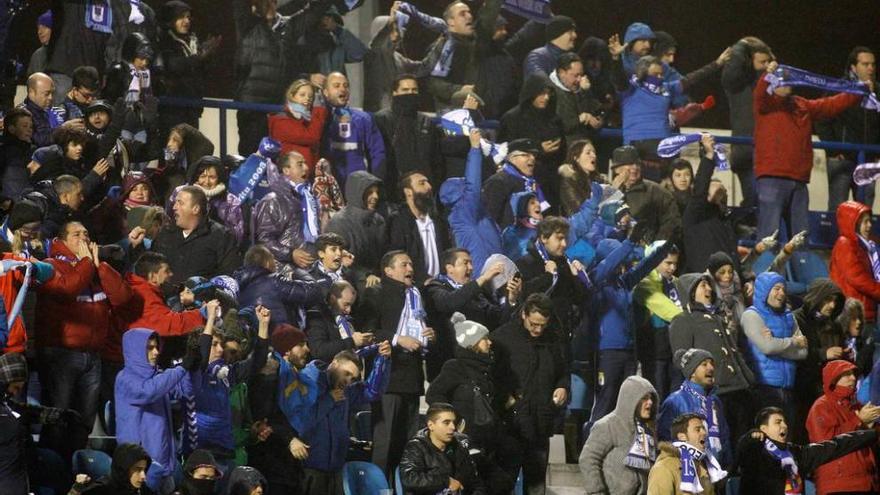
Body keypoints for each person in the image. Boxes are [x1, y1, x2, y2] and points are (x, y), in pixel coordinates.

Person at [35, 221, 132, 457]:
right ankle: (54, 474)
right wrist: (87, 263)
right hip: (62, 354)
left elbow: (122, 298)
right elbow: (68, 289)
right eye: (76, 234)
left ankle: (77, 468)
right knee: (58, 419)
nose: (84, 239)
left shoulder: (94, 269)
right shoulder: (51, 265)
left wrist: (100, 266)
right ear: (62, 241)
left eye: (86, 234)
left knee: (84, 422)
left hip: (93, 356)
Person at [753, 60, 862, 239]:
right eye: (782, 79)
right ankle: (765, 268)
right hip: (772, 179)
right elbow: (759, 93)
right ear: (773, 82)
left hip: (799, 181)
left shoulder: (801, 104)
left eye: (789, 79)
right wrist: (767, 75)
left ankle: (800, 267)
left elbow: (830, 105)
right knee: (768, 238)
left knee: (800, 238)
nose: (787, 82)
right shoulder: (765, 103)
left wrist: (858, 93)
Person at [425, 313, 518, 493]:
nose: (489, 343)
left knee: (502, 483)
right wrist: (453, 422)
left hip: (489, 443)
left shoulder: (487, 369)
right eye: (484, 339)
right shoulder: (455, 367)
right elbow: (434, 395)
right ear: (472, 343)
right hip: (465, 445)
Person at [365, 250, 437, 476]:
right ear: (388, 270)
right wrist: (398, 339)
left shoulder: (417, 295)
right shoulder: (375, 294)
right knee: (385, 442)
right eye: (404, 264)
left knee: (409, 444)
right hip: (388, 378)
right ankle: (380, 490)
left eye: (411, 264)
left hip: (412, 377)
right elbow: (367, 332)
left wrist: (430, 336)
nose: (410, 269)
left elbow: (421, 331)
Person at [668, 274, 755, 453]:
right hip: (717, 393)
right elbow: (681, 358)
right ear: (690, 293)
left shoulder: (717, 316)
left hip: (740, 390)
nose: (708, 289)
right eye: (702, 286)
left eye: (709, 285)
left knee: (746, 446)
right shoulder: (684, 320)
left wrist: (749, 377)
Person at [491, 293, 568, 494]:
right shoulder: (502, 338)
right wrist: (506, 401)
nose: (538, 329)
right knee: (503, 484)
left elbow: (562, 372)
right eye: (534, 324)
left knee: (537, 485)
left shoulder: (554, 339)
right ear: (524, 314)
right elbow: (490, 376)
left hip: (541, 423)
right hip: (510, 426)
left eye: (543, 325)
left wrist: (563, 387)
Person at [231, 0, 325, 154]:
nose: (266, 5)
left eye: (270, 2)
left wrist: (307, 76)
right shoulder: (248, 25)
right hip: (252, 106)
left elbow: (315, 12)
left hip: (278, 107)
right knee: (251, 155)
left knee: (277, 156)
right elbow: (239, 5)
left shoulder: (288, 27)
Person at [297, 344, 392, 493]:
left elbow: (373, 392)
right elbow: (301, 422)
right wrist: (329, 400)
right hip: (309, 469)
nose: (348, 380)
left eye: (353, 378)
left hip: (336, 468)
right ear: (334, 363)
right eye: (346, 373)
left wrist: (382, 359)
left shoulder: (344, 391)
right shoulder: (308, 380)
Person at [115, 328, 202, 486]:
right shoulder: (124, 379)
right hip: (140, 469)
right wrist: (182, 368)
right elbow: (148, 391)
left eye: (156, 347)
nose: (156, 352)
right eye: (149, 348)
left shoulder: (159, 376)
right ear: (135, 350)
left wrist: (193, 369)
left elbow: (186, 391)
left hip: (164, 465)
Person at [737, 406, 879, 494]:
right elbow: (743, 452)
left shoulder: (797, 453)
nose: (785, 426)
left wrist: (873, 434)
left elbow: (835, 445)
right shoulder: (756, 451)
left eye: (785, 421)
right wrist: (751, 437)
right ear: (763, 429)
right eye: (778, 422)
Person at [424, 249, 518, 380]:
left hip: (477, 365)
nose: (471, 267)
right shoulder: (435, 289)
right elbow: (451, 302)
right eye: (465, 263)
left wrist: (511, 299)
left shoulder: (476, 293)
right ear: (449, 268)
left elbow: (497, 319)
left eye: (471, 263)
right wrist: (483, 278)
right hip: (448, 365)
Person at [192, 304, 269, 457]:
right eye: (215, 345)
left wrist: (263, 325)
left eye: (221, 345)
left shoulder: (227, 373)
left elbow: (257, 362)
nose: (221, 350)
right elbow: (201, 354)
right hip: (200, 454)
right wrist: (211, 318)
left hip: (226, 454)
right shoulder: (191, 373)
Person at [247, 324, 313, 494]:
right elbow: (265, 416)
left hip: (289, 460)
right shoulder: (270, 373)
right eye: (300, 344)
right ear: (286, 350)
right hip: (272, 460)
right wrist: (290, 438)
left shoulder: (294, 375)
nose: (307, 349)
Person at [0, 352, 79, 494]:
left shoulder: (6, 404)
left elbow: (24, 411)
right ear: (5, 382)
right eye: (15, 388)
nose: (16, 393)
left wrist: (60, 416)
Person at [816, 46, 878, 211]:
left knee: (864, 213)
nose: (870, 68)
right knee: (838, 211)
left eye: (872, 64)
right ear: (853, 67)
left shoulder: (877, 91)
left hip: (867, 162)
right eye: (865, 64)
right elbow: (821, 118)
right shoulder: (837, 88)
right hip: (841, 161)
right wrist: (834, 150)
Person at [742, 271, 808, 429]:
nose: (782, 293)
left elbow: (803, 352)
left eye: (783, 289)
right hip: (764, 390)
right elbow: (767, 347)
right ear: (765, 290)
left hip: (789, 389)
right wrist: (792, 342)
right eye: (776, 289)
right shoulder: (751, 316)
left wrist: (775, 343)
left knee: (788, 436)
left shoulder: (789, 317)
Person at [806, 360, 880, 495]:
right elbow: (826, 445)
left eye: (853, 374)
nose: (853, 378)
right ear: (833, 379)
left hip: (867, 482)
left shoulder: (857, 406)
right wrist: (859, 420)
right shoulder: (821, 407)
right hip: (838, 485)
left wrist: (874, 426)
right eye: (846, 374)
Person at [580, 375, 659, 495]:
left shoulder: (647, 430)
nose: (650, 402)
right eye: (644, 398)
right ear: (630, 399)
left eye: (651, 398)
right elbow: (588, 459)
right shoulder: (607, 425)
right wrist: (596, 491)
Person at [498, 75, 565, 212]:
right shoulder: (512, 118)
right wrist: (539, 149)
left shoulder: (554, 119)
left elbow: (563, 149)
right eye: (541, 93)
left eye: (548, 94)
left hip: (550, 181)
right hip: (519, 180)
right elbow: (505, 148)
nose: (546, 97)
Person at [439, 130, 503, 273]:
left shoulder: (476, 213)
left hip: (494, 277)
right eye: (464, 186)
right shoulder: (463, 212)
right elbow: (473, 185)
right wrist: (474, 149)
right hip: (481, 278)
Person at [150, 185, 241, 285]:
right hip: (163, 298)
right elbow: (149, 266)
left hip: (201, 298)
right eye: (175, 202)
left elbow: (227, 276)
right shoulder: (165, 233)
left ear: (195, 209)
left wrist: (200, 292)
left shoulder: (221, 236)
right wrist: (136, 248)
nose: (174, 207)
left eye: (180, 203)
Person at [721, 36, 773, 209]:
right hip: (746, 153)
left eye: (768, 61)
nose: (766, 66)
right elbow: (732, 71)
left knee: (767, 203)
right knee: (754, 199)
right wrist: (741, 46)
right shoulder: (738, 85)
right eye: (762, 62)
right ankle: (741, 226)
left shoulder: (771, 83)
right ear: (750, 61)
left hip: (768, 153)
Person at [423, 0, 503, 110]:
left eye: (469, 12)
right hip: (452, 111)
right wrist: (459, 89)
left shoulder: (475, 43)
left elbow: (487, 19)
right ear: (451, 22)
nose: (469, 16)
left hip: (480, 111)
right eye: (462, 14)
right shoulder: (443, 48)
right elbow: (432, 83)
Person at [657, 349, 730, 466]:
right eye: (704, 364)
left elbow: (724, 437)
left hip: (717, 472)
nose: (711, 368)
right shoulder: (675, 401)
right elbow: (665, 437)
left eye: (712, 364)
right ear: (692, 372)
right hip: (688, 472)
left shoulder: (714, 401)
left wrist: (727, 467)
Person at [157, 0, 221, 133]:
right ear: (170, 19)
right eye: (181, 17)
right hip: (172, 109)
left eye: (188, 17)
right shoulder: (164, 40)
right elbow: (173, 66)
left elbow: (202, 73)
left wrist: (208, 58)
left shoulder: (192, 41)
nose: (186, 21)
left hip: (192, 107)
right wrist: (199, 58)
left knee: (192, 150)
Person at [253, 150, 319, 277]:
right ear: (286, 170)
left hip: (311, 270)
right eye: (300, 164)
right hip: (284, 274)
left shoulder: (309, 197)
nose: (306, 167)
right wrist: (290, 254)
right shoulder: (273, 200)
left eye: (305, 163)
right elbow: (263, 239)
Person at [372, 75, 442, 196]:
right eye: (405, 90)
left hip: (423, 189)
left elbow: (436, 158)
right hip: (392, 189)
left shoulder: (426, 121)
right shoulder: (381, 119)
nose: (410, 93)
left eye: (414, 90)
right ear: (394, 93)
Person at [398, 402, 486, 495]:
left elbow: (474, 482)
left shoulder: (459, 446)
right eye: (446, 423)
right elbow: (409, 479)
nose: (452, 427)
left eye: (454, 422)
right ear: (431, 425)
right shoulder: (416, 446)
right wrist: (446, 481)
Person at [634, 242, 684, 401]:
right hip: (654, 352)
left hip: (674, 350)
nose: (672, 268)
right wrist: (690, 321)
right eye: (668, 263)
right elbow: (668, 310)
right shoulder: (644, 282)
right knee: (658, 397)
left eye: (675, 264)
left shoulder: (674, 282)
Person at [681, 135, 738, 273]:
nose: (720, 192)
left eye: (723, 190)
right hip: (705, 280)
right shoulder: (695, 216)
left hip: (728, 283)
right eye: (715, 189)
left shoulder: (726, 221)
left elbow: (733, 256)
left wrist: (745, 279)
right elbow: (700, 188)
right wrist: (709, 156)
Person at [235, 244, 328, 329]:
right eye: (273, 259)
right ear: (267, 262)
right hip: (284, 341)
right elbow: (313, 291)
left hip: (261, 343)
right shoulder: (274, 281)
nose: (275, 263)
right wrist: (299, 272)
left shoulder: (239, 289)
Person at [321, 72, 386, 186]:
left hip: (358, 185)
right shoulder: (319, 119)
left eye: (346, 86)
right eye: (336, 86)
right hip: (328, 186)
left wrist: (375, 182)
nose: (342, 89)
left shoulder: (363, 118)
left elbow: (377, 153)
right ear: (326, 92)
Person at [325, 171, 386, 291]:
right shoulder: (339, 223)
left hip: (377, 276)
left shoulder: (379, 221)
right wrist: (366, 275)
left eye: (377, 192)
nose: (376, 197)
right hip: (349, 281)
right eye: (369, 192)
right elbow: (338, 262)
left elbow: (384, 255)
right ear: (357, 193)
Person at [609, 145, 681, 244]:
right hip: (614, 252)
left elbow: (672, 221)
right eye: (629, 164)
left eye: (637, 164)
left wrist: (656, 246)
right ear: (616, 169)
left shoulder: (656, 192)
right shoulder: (606, 193)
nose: (634, 167)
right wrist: (613, 193)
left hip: (647, 252)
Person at [387, 171, 449, 286]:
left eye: (428, 182)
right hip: (417, 286)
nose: (429, 187)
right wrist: (422, 280)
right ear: (408, 192)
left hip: (442, 284)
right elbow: (398, 257)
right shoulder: (398, 222)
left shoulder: (438, 221)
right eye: (422, 183)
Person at [793, 279, 846, 411]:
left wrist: (845, 355)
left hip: (827, 386)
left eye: (835, 301)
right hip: (803, 388)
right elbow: (793, 352)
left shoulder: (835, 325)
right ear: (817, 297)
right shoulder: (796, 319)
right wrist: (823, 353)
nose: (832, 305)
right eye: (828, 300)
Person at [830, 201, 880, 334]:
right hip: (851, 313)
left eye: (870, 221)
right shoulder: (845, 244)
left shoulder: (868, 246)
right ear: (853, 223)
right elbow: (857, 278)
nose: (869, 225)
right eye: (864, 222)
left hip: (866, 310)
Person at [647, 413, 726, 495]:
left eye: (704, 429)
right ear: (682, 437)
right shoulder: (664, 468)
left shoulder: (707, 468)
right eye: (697, 430)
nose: (704, 433)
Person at [305, 280, 374, 363]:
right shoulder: (317, 318)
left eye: (351, 305)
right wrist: (352, 341)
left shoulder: (349, 320)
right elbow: (318, 351)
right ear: (332, 299)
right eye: (346, 304)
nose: (349, 310)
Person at [482, 138, 546, 228]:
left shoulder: (532, 182)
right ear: (511, 158)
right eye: (525, 155)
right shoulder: (498, 181)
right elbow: (490, 218)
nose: (532, 158)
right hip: (507, 238)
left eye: (534, 155)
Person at [268, 79, 329, 170]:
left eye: (311, 96)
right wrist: (317, 110)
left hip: (305, 175)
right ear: (292, 96)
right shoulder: (281, 121)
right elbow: (311, 137)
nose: (307, 98)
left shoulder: (308, 119)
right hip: (289, 177)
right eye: (302, 95)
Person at [551, 53, 604, 146]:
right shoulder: (550, 92)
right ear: (561, 73)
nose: (579, 79)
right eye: (576, 75)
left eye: (581, 75)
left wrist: (598, 119)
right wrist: (581, 118)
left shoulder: (579, 88)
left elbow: (596, 109)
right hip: (563, 147)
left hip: (584, 141)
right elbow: (559, 127)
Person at [79, 443, 155, 495]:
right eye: (138, 469)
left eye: (144, 470)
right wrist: (76, 488)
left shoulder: (140, 489)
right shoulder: (100, 490)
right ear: (123, 468)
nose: (143, 476)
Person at [1, 108, 36, 201]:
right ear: (12, 129)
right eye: (25, 126)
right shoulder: (3, 151)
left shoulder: (34, 151)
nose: (29, 130)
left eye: (31, 127)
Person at [19, 72, 61, 148]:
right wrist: (63, 130)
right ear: (31, 92)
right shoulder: (22, 115)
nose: (50, 98)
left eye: (52, 93)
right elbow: (40, 141)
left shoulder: (45, 111)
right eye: (46, 94)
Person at [27, 10, 52, 76]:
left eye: (44, 27)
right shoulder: (37, 55)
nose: (40, 32)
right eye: (38, 28)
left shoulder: (64, 54)